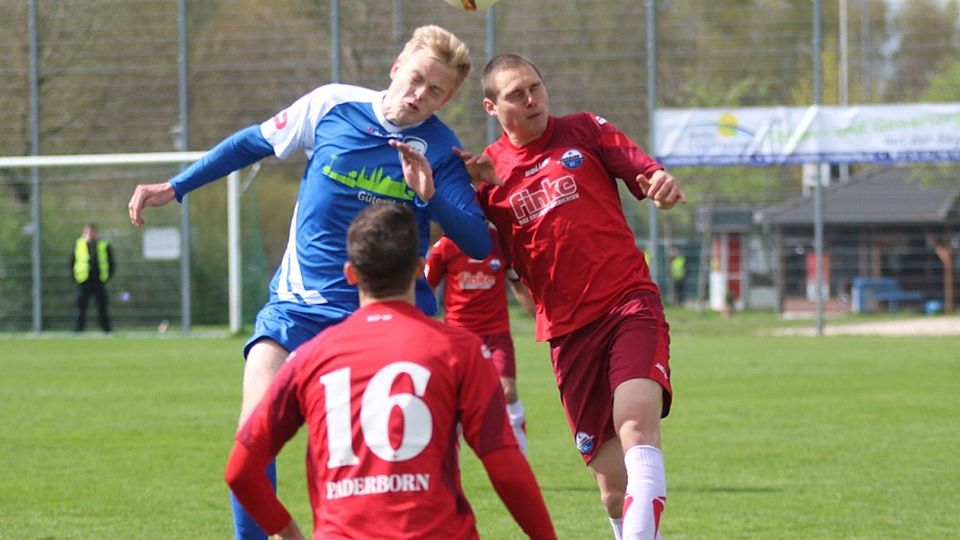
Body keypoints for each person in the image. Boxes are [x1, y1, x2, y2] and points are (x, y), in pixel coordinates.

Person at [127, 25, 491, 540]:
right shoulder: (332, 105)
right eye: (415, 80)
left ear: (449, 98)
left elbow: (478, 242)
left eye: (436, 92)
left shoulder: (440, 149)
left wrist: (427, 194)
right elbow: (253, 141)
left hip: (383, 325)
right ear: (395, 68)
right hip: (295, 309)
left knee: (382, 463)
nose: (418, 97)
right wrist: (177, 185)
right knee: (252, 441)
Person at [456, 53, 687, 540]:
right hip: (566, 333)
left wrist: (660, 183)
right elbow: (465, 238)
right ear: (490, 107)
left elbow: (645, 173)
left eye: (536, 87)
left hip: (628, 305)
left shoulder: (585, 129)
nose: (532, 99)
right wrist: (460, 192)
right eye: (516, 94)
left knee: (636, 427)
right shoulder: (485, 176)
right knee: (611, 485)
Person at [224, 204, 557, 540]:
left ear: (351, 273)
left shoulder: (309, 358)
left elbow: (241, 471)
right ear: (418, 269)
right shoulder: (460, 351)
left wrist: (289, 532)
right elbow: (506, 470)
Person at [425, 225, 536, 452]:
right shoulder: (445, 245)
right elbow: (427, 288)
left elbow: (518, 285)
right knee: (453, 401)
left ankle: (520, 457)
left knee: (508, 390)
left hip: (496, 334)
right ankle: (450, 470)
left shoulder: (501, 241)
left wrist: (539, 319)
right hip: (458, 336)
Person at [70, 223, 114, 333]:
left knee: (102, 307)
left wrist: (108, 276)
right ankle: (78, 330)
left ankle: (106, 330)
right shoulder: (79, 244)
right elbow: (71, 262)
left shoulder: (103, 244)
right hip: (83, 280)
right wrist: (75, 277)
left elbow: (111, 262)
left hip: (99, 280)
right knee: (81, 307)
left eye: (92, 232)